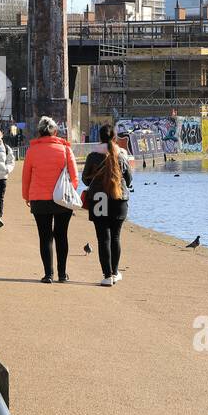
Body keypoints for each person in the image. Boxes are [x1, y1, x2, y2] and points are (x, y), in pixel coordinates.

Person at [19, 115, 79, 284]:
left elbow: (26, 177)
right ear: (55, 131)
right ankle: (62, 273)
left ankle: (48, 274)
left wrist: (27, 196)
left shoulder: (32, 151)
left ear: (39, 131)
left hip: (39, 199)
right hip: (62, 199)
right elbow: (74, 177)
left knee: (45, 237)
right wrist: (69, 193)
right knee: (62, 235)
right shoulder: (66, 149)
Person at [82, 123, 132, 287]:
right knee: (116, 237)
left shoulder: (93, 156)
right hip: (119, 199)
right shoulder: (122, 154)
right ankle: (116, 272)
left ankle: (107, 276)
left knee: (103, 238)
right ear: (115, 137)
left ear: (100, 137)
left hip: (99, 199)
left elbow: (85, 179)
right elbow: (129, 179)